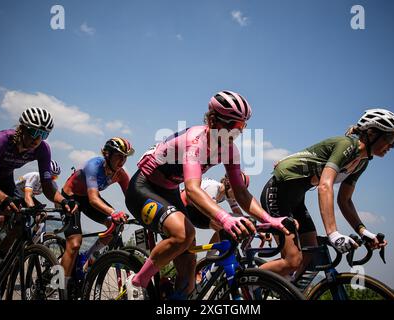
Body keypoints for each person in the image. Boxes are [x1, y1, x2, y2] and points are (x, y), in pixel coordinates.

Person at [124, 90, 292, 300]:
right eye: (233, 125)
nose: (237, 132)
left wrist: (269, 219)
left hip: (170, 191)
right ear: (213, 120)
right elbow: (193, 189)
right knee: (183, 234)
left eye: (242, 127)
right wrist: (225, 218)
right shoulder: (195, 141)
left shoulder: (230, 150)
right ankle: (137, 281)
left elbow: (240, 192)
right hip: (144, 186)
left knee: (188, 264)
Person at [260, 108, 394, 278]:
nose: (392, 145)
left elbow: (345, 200)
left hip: (297, 200)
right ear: (371, 133)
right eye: (390, 138)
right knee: (293, 261)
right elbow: (325, 186)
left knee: (310, 256)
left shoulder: (362, 162)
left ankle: (284, 290)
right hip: (278, 192)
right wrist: (333, 233)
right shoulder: (347, 145)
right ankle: (243, 283)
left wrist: (364, 232)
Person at [0, 107, 77, 282]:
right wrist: (4, 199)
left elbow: (48, 188)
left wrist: (63, 200)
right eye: (34, 131)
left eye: (43, 134)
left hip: (4, 178)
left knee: (22, 221)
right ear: (22, 128)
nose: (37, 138)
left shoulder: (42, 149)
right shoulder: (1, 140)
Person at [60, 137, 134, 298]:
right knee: (74, 244)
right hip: (71, 197)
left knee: (113, 227)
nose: (122, 160)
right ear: (107, 154)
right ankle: (60, 288)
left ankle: (87, 256)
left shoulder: (120, 174)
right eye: (119, 156)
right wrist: (114, 212)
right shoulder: (94, 165)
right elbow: (94, 199)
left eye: (125, 157)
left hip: (87, 199)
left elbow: (132, 199)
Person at [181, 173, 250, 246]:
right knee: (222, 224)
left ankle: (211, 255)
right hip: (184, 208)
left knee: (226, 225)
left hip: (194, 210)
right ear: (229, 184)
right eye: (238, 191)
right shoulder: (213, 187)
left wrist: (251, 226)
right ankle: (215, 255)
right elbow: (212, 213)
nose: (238, 195)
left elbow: (238, 214)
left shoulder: (227, 194)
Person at [14, 160, 62, 235]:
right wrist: (33, 209)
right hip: (15, 194)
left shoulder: (52, 183)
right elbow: (28, 196)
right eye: (50, 176)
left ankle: (35, 237)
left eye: (54, 177)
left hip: (27, 197)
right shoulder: (35, 176)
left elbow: (56, 200)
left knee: (42, 214)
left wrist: (62, 213)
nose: (51, 179)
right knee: (23, 217)